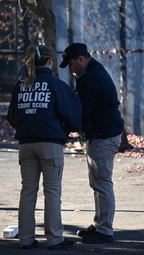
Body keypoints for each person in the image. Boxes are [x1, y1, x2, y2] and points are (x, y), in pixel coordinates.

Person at [7, 44, 82, 250]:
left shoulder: (21, 84)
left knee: (28, 191)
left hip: (26, 144)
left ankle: (26, 239)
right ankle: (55, 238)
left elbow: (12, 117)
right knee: (52, 192)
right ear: (50, 61)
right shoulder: (56, 85)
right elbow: (73, 117)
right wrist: (65, 130)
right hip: (50, 144)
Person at [59, 43, 124, 244]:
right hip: (101, 135)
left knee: (102, 183)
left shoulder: (91, 77)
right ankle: (99, 225)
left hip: (103, 136)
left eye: (71, 64)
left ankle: (104, 230)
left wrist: (62, 130)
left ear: (80, 59)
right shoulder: (93, 71)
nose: (70, 69)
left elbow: (82, 111)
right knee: (98, 181)